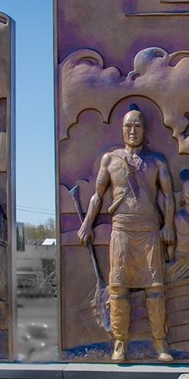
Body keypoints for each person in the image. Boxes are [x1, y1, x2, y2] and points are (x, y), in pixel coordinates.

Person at [76, 105, 175, 362]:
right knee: (118, 289)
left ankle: (160, 343)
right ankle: (119, 343)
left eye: (137, 126)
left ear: (145, 130)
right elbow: (98, 195)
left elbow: (167, 196)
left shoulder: (157, 161)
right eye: (128, 126)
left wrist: (169, 225)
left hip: (149, 230)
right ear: (122, 130)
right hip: (121, 231)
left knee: (155, 290)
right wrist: (87, 223)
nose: (132, 130)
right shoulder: (110, 160)